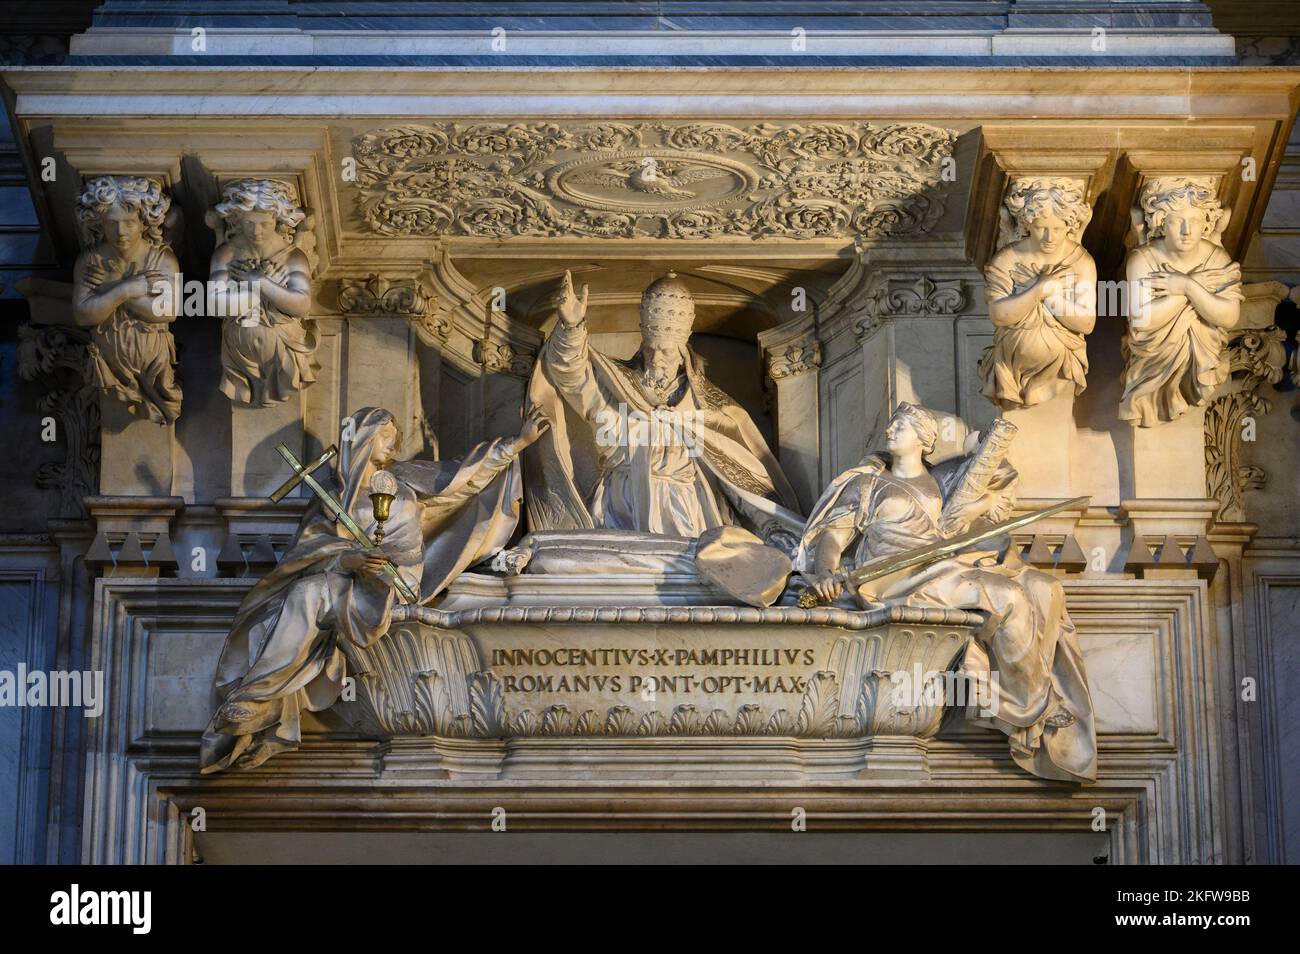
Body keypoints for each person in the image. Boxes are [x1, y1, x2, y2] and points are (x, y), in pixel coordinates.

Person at [199, 405, 549, 772]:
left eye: (397, 438)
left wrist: (516, 443)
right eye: (386, 436)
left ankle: (260, 698)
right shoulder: (332, 497)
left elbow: (462, 480)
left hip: (396, 579)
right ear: (363, 438)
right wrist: (347, 560)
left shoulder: (404, 481)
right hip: (347, 579)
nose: (394, 446)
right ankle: (256, 698)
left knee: (315, 597)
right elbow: (307, 550)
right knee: (304, 595)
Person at [794, 403, 1096, 782]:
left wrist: (980, 471)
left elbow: (991, 484)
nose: (891, 430)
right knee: (1007, 598)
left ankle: (1025, 704)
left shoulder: (944, 482)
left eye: (902, 425)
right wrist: (825, 571)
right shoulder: (867, 482)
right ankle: (1027, 708)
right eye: (891, 424)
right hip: (891, 579)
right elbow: (834, 535)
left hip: (939, 568)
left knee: (1022, 594)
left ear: (924, 440)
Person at [527, 270, 802, 540]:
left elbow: (739, 477)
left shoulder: (708, 407)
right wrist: (572, 328)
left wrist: (773, 527)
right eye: (651, 348)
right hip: (620, 508)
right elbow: (572, 375)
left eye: (666, 351)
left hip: (686, 509)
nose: (657, 358)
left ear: (682, 352)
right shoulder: (617, 389)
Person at [1120, 176, 1243, 426]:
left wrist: (1186, 286)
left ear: (1206, 223)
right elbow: (1142, 320)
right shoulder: (1143, 259)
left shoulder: (1217, 259)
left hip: (1202, 359)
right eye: (1178, 222)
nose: (1187, 231)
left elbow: (1229, 316)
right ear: (1162, 223)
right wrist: (1189, 291)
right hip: (1153, 359)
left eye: (1195, 222)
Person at [979, 177, 1097, 410]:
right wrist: (1038, 289)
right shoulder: (1007, 259)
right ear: (1027, 224)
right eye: (1041, 228)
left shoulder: (1081, 261)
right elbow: (999, 315)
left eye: (1058, 228)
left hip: (1061, 365)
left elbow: (1086, 323)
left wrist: (1050, 296)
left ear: (1069, 226)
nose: (1049, 237)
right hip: (1011, 364)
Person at [72, 176, 182, 424]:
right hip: (108, 365)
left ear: (144, 222)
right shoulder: (90, 261)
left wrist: (109, 290)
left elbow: (168, 312)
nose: (121, 231)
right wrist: (126, 289)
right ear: (99, 223)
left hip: (153, 363)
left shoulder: (162, 260)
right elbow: (82, 314)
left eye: (129, 222)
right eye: (112, 223)